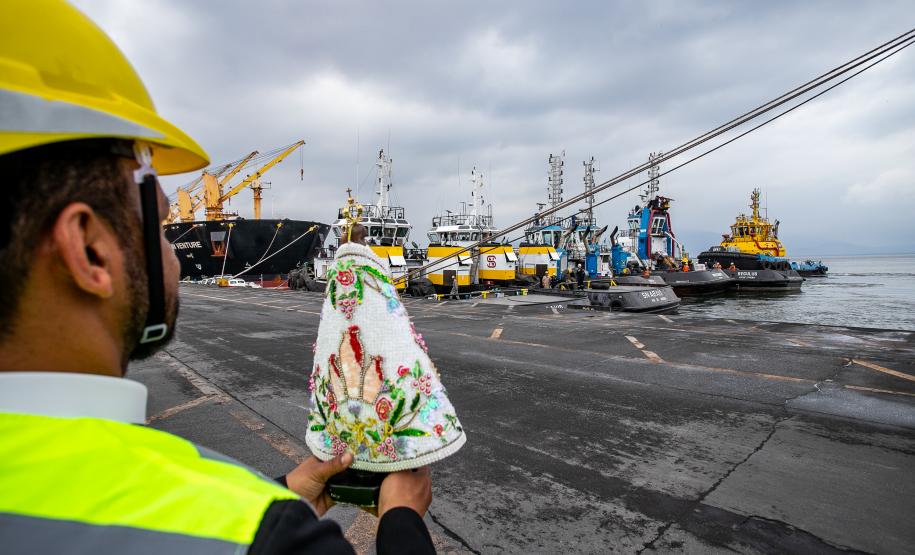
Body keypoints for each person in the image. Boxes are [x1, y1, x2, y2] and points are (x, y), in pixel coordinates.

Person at [0, 2, 433, 553]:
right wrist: (402, 520)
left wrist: (289, 494)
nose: (175, 256)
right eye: (159, 225)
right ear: (88, 249)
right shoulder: (264, 537)